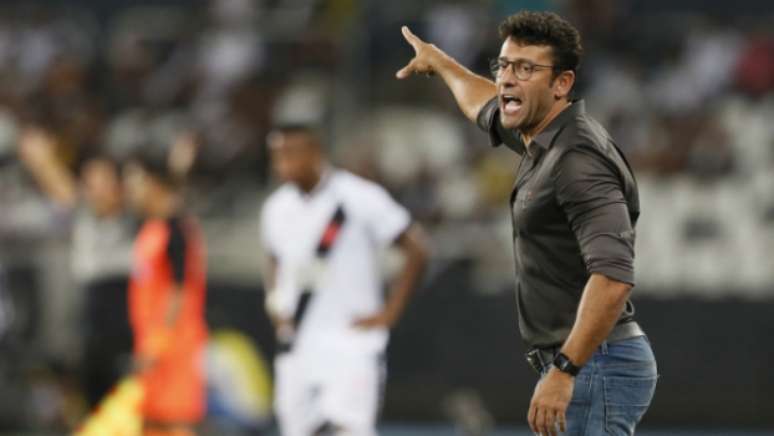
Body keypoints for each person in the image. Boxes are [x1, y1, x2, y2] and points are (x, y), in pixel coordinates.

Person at [396, 11, 657, 436]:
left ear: (562, 84)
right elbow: (484, 103)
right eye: (504, 66)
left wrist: (565, 370)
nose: (506, 79)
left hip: (595, 363)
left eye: (526, 68)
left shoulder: (577, 160)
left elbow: (613, 278)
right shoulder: (544, 136)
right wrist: (442, 63)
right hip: (590, 362)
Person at [260, 124, 428, 436]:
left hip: (350, 341)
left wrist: (390, 312)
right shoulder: (275, 208)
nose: (283, 163)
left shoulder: (358, 196)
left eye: (291, 153)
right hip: (297, 343)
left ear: (315, 153)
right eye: (277, 155)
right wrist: (274, 304)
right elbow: (272, 259)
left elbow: (416, 249)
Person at [17, 127, 135, 408]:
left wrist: (45, 161)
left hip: (126, 334)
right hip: (88, 337)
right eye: (89, 182)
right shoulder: (84, 220)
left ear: (120, 186)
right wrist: (41, 161)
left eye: (101, 182)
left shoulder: (135, 220)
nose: (92, 190)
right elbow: (67, 196)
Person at [123, 152, 208, 436]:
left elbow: (179, 290)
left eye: (135, 182)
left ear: (154, 184)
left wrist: (158, 342)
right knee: (150, 422)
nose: (130, 191)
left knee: (175, 421)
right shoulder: (151, 228)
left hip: (174, 345)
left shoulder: (176, 230)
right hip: (151, 344)